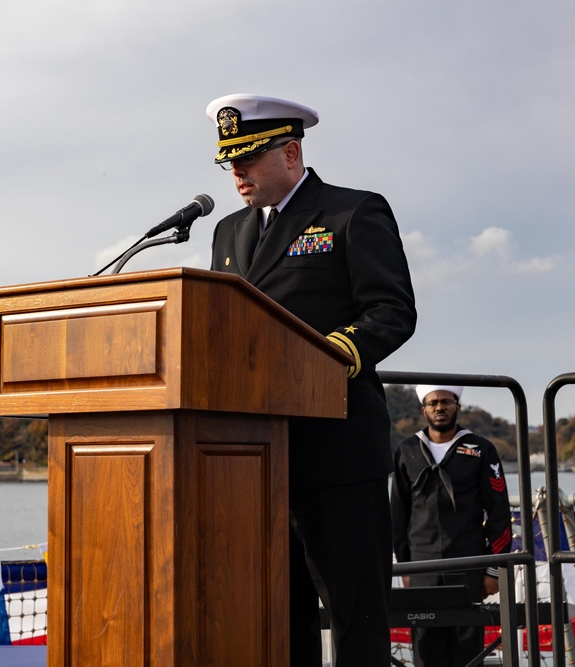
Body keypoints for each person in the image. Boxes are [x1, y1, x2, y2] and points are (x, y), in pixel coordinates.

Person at [206, 94, 417, 666]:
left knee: (357, 618)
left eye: (247, 158)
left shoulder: (352, 212)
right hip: (256, 459)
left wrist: (334, 351)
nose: (236, 173)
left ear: (292, 152)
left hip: (337, 451)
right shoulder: (227, 233)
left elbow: (392, 310)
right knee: (278, 616)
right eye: (229, 161)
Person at [390, 385, 512, 667]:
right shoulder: (406, 450)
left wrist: (493, 569)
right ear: (424, 409)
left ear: (458, 406)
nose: (439, 407)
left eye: (446, 401)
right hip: (421, 567)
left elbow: (499, 514)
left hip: (469, 566)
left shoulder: (482, 449)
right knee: (426, 651)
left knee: (467, 654)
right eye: (432, 403)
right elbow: (398, 515)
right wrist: (405, 565)